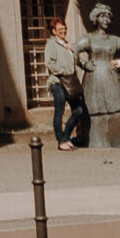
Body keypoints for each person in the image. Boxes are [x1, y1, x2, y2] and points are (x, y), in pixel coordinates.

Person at [43, 11, 85, 148]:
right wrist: (65, 71)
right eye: (60, 29)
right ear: (54, 31)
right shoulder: (51, 44)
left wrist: (74, 51)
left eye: (64, 28)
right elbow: (50, 64)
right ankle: (61, 141)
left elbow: (76, 61)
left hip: (70, 83)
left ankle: (66, 137)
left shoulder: (67, 44)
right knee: (59, 112)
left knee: (78, 110)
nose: (63, 31)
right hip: (58, 83)